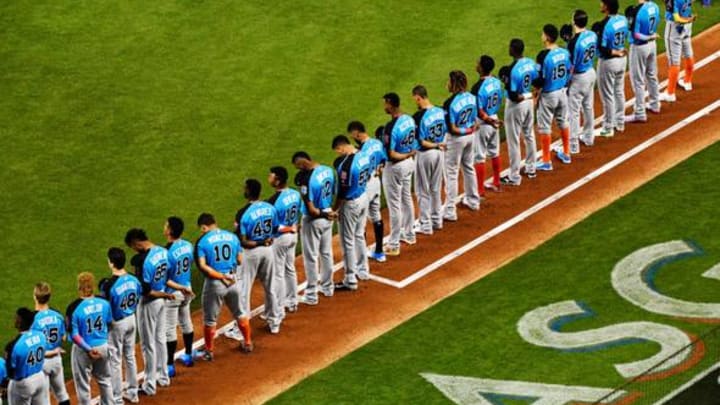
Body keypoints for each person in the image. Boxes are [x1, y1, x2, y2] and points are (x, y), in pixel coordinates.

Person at [125, 228, 174, 395]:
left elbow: (146, 291)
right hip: (161, 301)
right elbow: (169, 275)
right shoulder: (163, 251)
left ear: (137, 243)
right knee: (160, 339)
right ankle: (163, 377)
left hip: (149, 303)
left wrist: (162, 294)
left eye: (133, 246)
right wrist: (165, 294)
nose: (134, 250)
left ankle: (149, 385)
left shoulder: (143, 260)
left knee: (147, 344)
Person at [195, 213, 251, 357]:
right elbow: (239, 260)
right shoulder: (232, 237)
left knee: (210, 319)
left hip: (215, 283)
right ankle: (248, 342)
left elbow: (202, 265)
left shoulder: (202, 241)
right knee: (240, 312)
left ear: (204, 227)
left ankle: (209, 351)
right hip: (233, 280)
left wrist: (220, 275)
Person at [235, 179, 282, 334]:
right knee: (270, 286)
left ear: (249, 191)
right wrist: (266, 240)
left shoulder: (243, 213)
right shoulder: (270, 208)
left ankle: (242, 327)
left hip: (251, 253)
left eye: (244, 188)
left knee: (244, 289)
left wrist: (258, 240)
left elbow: (244, 242)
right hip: (268, 251)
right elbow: (276, 230)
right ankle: (275, 322)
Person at [292, 151, 337, 304]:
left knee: (311, 256)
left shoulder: (307, 180)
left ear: (303, 162)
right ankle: (328, 287)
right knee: (326, 252)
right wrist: (329, 213)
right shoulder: (327, 170)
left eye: (298, 166)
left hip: (314, 219)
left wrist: (323, 215)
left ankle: (311, 294)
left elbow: (311, 209)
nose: (298, 169)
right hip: (328, 212)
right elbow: (334, 192)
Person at [99, 248, 143, 404]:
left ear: (111, 263)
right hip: (132, 318)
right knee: (130, 356)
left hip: (117, 324)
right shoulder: (134, 279)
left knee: (115, 361)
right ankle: (133, 392)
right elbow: (138, 297)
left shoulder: (109, 284)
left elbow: (106, 308)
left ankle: (117, 399)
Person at [66, 273, 113, 405]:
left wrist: (88, 349)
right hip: (103, 346)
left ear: (79, 287)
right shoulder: (104, 303)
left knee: (83, 385)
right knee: (105, 380)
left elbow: (74, 335)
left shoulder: (74, 307)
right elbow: (109, 324)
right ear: (92, 286)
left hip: (84, 349)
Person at [380, 92, 418, 255]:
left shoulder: (390, 128)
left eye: (385, 104)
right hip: (409, 164)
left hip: (396, 167)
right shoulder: (409, 119)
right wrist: (409, 155)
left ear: (390, 104)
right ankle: (409, 234)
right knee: (406, 198)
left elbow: (391, 155)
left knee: (394, 204)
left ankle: (394, 244)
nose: (384, 106)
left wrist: (405, 155)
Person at [332, 135, 371, 289]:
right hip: (363, 197)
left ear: (341, 147)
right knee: (359, 235)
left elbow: (342, 191)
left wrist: (334, 209)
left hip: (351, 203)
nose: (338, 154)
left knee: (347, 240)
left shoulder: (346, 165)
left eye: (337, 151)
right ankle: (363, 270)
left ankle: (350, 279)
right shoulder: (364, 155)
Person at [499, 38, 539, 186]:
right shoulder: (530, 62)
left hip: (517, 106)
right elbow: (538, 81)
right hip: (529, 103)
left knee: (513, 140)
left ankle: (514, 176)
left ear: (513, 50)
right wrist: (532, 95)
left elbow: (513, 96)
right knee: (529, 134)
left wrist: (523, 95)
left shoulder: (512, 69)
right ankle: (531, 168)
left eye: (510, 47)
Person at [348, 121, 388, 262]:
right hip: (376, 182)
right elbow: (383, 161)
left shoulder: (362, 151)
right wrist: (378, 170)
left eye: (352, 135)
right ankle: (379, 252)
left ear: (357, 133)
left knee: (361, 219)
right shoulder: (377, 143)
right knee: (376, 215)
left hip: (366, 185)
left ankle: (362, 253)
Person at [534, 24, 573, 170]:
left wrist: (535, 90)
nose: (541, 36)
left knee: (545, 127)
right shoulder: (564, 52)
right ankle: (567, 153)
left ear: (547, 37)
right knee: (563, 122)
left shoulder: (543, 56)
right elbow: (570, 70)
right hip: (563, 92)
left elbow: (539, 79)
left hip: (549, 94)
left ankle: (546, 161)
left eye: (543, 34)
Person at [443, 70, 480, 219]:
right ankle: (473, 200)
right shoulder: (472, 97)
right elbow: (475, 121)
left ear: (454, 83)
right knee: (468, 167)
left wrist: (464, 130)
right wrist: (470, 129)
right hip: (470, 136)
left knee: (451, 173)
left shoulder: (449, 103)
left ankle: (450, 210)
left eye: (449, 81)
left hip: (456, 139)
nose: (447, 84)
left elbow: (452, 128)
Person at [411, 85, 447, 235]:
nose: (415, 102)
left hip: (425, 154)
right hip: (439, 153)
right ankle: (437, 220)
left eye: (415, 99)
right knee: (435, 187)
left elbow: (420, 141)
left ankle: (425, 224)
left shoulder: (418, 117)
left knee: (422, 190)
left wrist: (434, 144)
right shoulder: (440, 111)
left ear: (418, 97)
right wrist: (439, 144)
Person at [267, 166, 304, 312]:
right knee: (290, 268)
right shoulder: (295, 193)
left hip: (281, 238)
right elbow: (298, 214)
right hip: (293, 236)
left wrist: (288, 229)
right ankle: (293, 301)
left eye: (271, 176)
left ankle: (278, 306)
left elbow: (273, 227)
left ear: (277, 181)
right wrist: (293, 228)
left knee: (278, 273)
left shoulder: (273, 201)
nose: (268, 178)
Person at [163, 217, 196, 374]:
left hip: (174, 293)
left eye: (166, 225)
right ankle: (189, 355)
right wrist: (184, 286)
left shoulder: (166, 252)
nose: (164, 227)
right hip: (187, 289)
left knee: (169, 329)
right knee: (186, 322)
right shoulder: (189, 245)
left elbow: (165, 280)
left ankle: (169, 366)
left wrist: (179, 287)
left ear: (170, 231)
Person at [30, 283, 70, 405]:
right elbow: (64, 337)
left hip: (41, 362)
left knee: (44, 399)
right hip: (56, 360)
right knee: (62, 393)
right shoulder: (57, 315)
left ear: (35, 297)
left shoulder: (32, 319)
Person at [565, 9, 599, 151]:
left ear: (574, 21)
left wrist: (567, 82)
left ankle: (573, 145)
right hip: (591, 72)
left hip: (579, 77)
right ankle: (589, 137)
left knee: (573, 112)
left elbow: (571, 66)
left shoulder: (573, 42)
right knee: (588, 106)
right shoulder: (592, 35)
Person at [595, 0, 629, 138]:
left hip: (609, 62)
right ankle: (620, 122)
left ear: (607, 7)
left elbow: (603, 49)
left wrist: (614, 52)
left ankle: (608, 127)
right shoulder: (623, 19)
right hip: (622, 59)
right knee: (619, 91)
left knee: (608, 95)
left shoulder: (604, 25)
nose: (600, 5)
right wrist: (619, 51)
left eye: (602, 3)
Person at [470, 56, 504, 193]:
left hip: (483, 123)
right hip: (494, 118)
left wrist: (487, 119)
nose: (476, 65)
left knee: (479, 156)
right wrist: (493, 119)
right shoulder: (496, 82)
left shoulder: (477, 87)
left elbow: (478, 110)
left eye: (478, 63)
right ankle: (496, 182)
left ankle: (480, 190)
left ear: (482, 68)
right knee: (495, 152)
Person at [625, 0, 661, 123]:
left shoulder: (638, 11)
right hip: (652, 45)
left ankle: (640, 112)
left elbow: (636, 35)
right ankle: (655, 104)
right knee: (651, 75)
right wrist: (651, 36)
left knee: (638, 80)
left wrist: (647, 36)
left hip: (640, 47)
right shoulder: (655, 6)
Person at [5, 308, 48, 405]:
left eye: (16, 318)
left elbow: (10, 372)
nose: (14, 319)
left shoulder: (13, 345)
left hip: (23, 384)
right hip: (40, 378)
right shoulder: (41, 336)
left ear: (19, 322)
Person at [660, 0, 697, 102]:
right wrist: (689, 19)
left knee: (674, 61)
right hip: (687, 26)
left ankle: (670, 93)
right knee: (688, 52)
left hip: (675, 27)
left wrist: (686, 20)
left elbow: (676, 18)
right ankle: (687, 81)